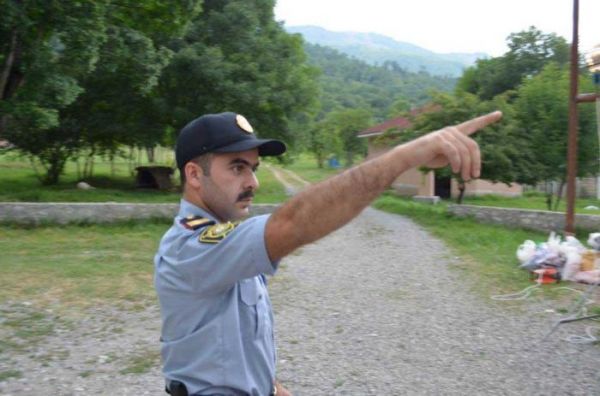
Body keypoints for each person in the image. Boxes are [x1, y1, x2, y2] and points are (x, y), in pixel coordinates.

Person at [154, 110, 502, 395]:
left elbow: (231, 342)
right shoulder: (192, 246)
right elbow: (295, 222)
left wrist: (271, 387)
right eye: (237, 167)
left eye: (253, 168)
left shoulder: (224, 240)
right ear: (195, 175)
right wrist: (405, 157)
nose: (253, 183)